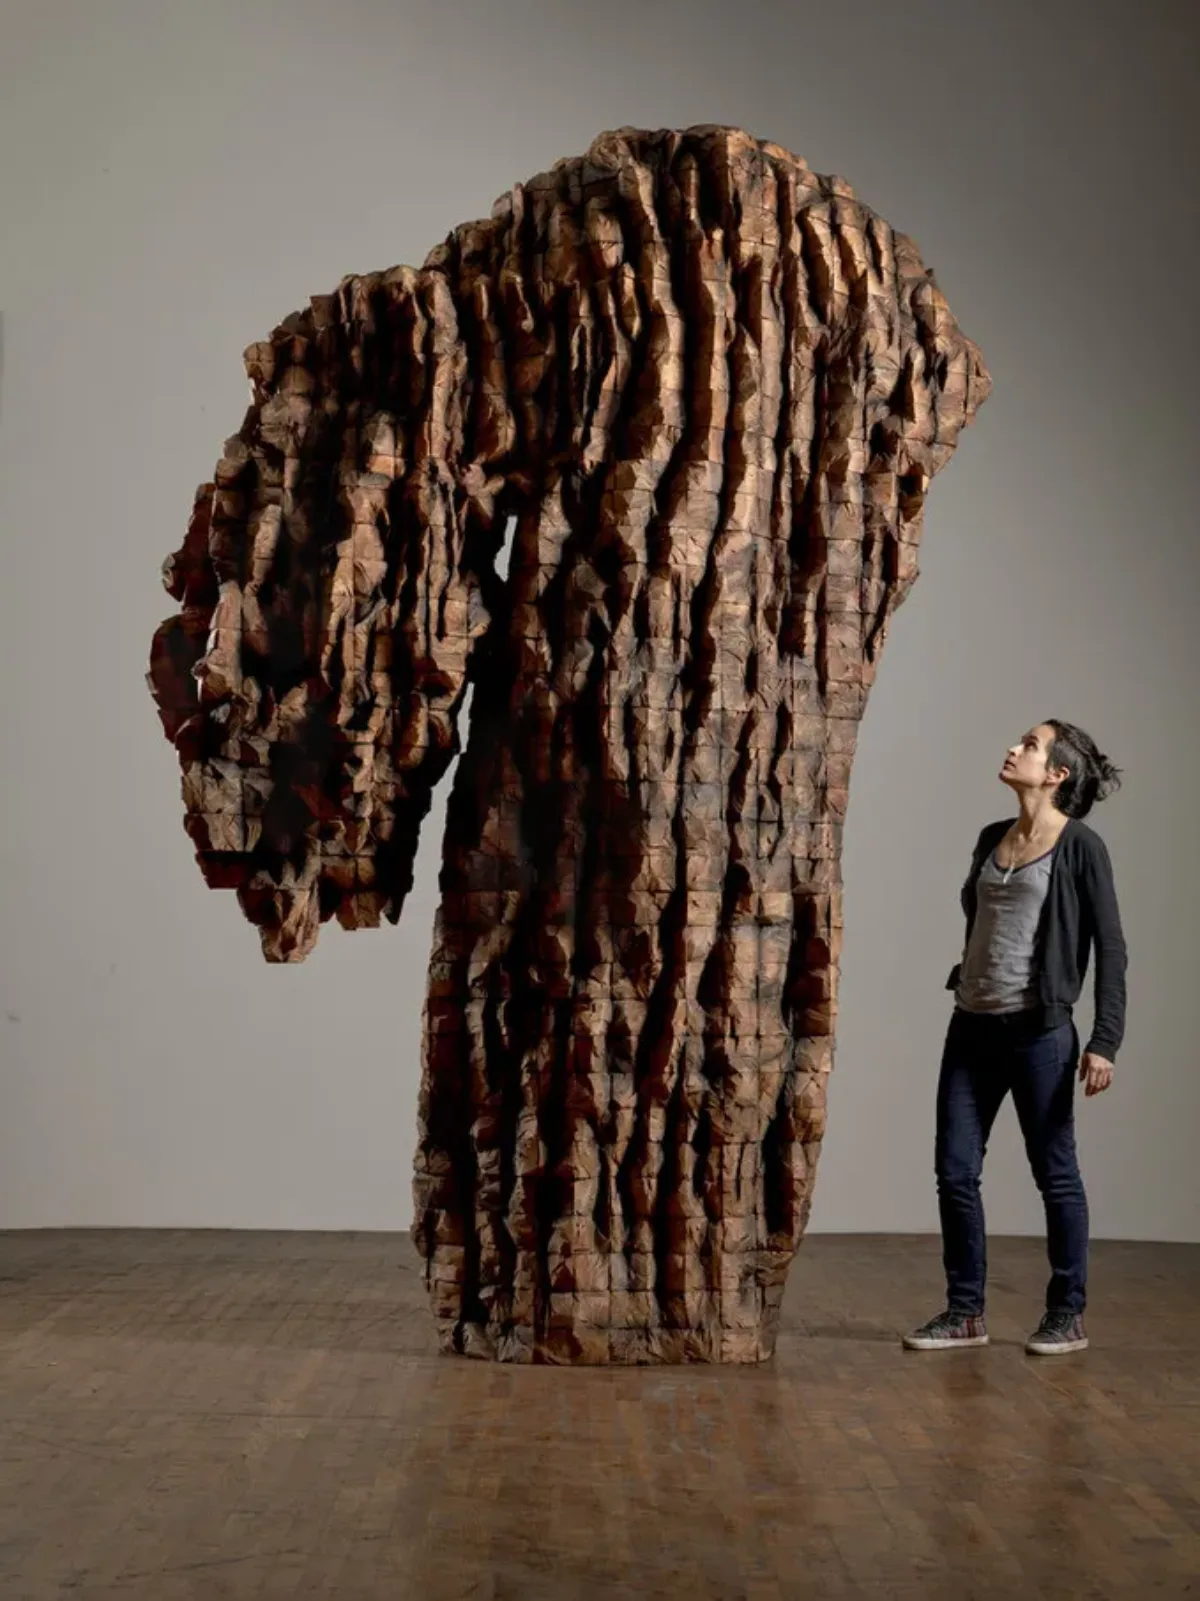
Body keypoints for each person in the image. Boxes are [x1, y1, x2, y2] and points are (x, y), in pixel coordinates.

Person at [901, 720, 1127, 1357]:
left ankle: (1066, 1314)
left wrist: (1105, 1040)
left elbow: (1111, 949)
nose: (1014, 749)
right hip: (971, 1026)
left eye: (1029, 745)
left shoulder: (1081, 847)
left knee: (1055, 1176)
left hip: (1041, 1035)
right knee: (954, 1172)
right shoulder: (989, 839)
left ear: (1056, 774)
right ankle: (965, 1311)